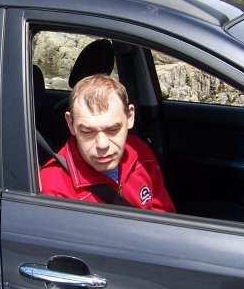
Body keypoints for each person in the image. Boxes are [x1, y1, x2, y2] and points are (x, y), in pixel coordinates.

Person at [39, 74, 175, 213]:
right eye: (87, 131)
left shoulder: (140, 152)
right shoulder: (53, 187)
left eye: (113, 129)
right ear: (70, 124)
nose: (102, 145)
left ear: (130, 117)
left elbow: (164, 214)